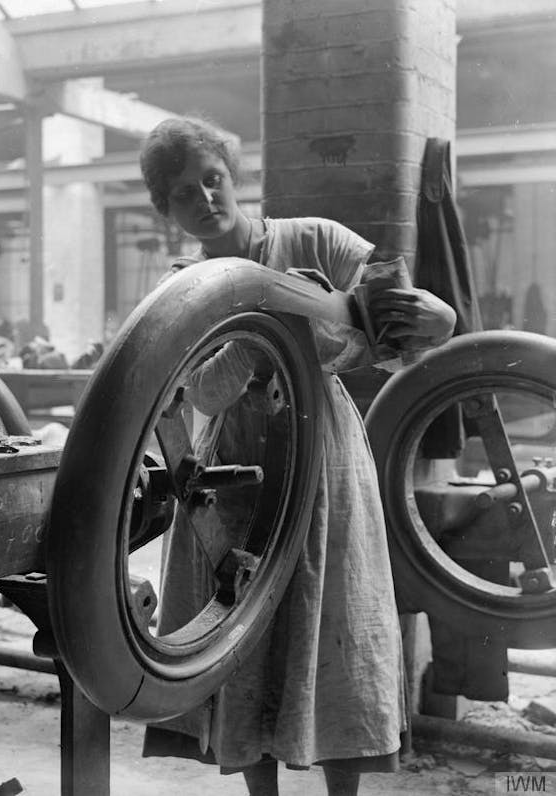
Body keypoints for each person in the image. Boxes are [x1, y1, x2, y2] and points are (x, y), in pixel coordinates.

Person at [139, 117, 456, 796]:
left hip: (325, 460)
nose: (205, 198)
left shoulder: (314, 240)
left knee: (337, 622)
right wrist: (270, 339)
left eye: (212, 178)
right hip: (233, 476)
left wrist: (435, 318)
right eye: (184, 194)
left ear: (234, 173)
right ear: (166, 211)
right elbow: (202, 391)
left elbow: (387, 330)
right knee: (243, 642)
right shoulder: (182, 289)